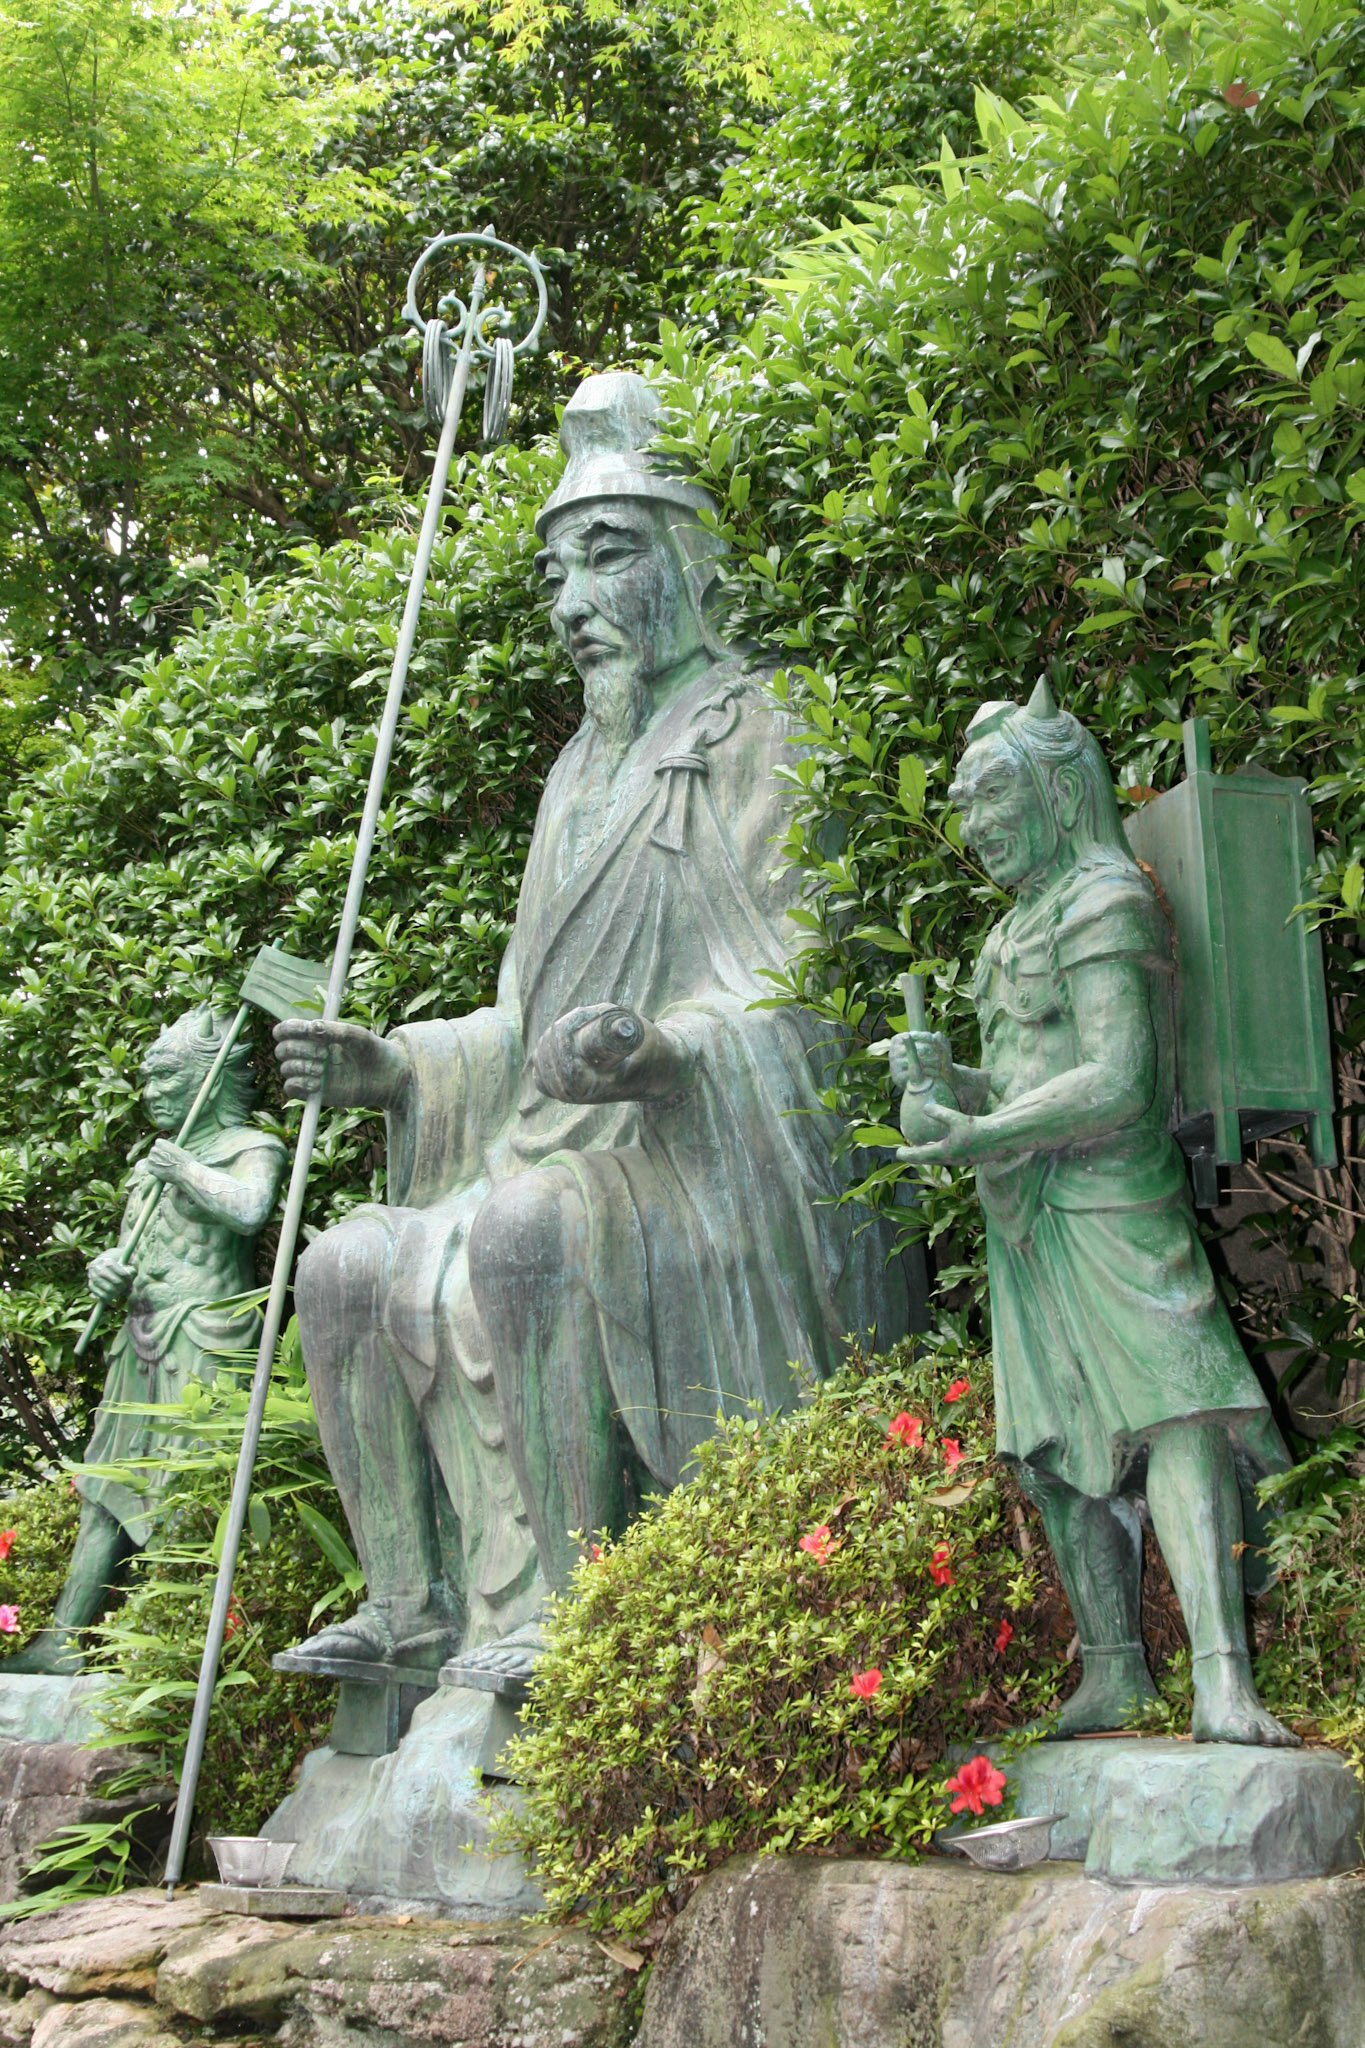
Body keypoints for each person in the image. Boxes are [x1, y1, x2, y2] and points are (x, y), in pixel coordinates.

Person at [273, 371, 918, 1680]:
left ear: (690, 559)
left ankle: (582, 1614)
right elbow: (524, 1018)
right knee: (343, 1262)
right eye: (556, 572)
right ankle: (412, 1606)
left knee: (526, 1229)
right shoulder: (575, 770)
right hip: (556, 1139)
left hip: (706, 1163)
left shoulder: (767, 725)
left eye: (608, 554)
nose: (571, 602)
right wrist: (396, 1066)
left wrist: (667, 1046)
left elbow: (810, 984)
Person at [893, 679, 1297, 1745]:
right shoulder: (1005, 934)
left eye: (991, 796)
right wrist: (946, 1088)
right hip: (1025, 1210)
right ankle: (1114, 1670)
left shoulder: (1106, 898)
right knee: (1053, 1444)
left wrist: (980, 1128)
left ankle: (1222, 1680)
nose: (974, 826)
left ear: (1060, 793)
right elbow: (1021, 1076)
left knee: (1178, 1410)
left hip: (1112, 1192)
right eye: (964, 806)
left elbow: (1119, 1080)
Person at [11, 1009, 286, 1674]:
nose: (151, 1092)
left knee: (183, 1494)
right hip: (139, 1338)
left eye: (165, 1077)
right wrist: (107, 1272)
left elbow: (250, 1209)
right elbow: (137, 1253)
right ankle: (63, 1641)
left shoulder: (250, 1146)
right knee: (106, 1490)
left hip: (204, 1339)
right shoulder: (149, 1165)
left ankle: (163, 1651)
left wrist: (186, 1169)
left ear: (207, 1080)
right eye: (149, 1079)